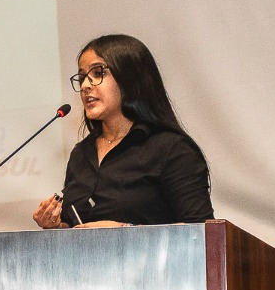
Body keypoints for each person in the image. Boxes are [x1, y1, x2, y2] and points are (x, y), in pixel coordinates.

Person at [33, 33, 213, 230]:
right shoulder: (81, 153)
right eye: (82, 77)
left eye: (98, 73)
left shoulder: (173, 149)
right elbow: (79, 227)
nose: (85, 86)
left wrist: (124, 229)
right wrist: (58, 227)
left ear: (130, 78)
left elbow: (202, 231)